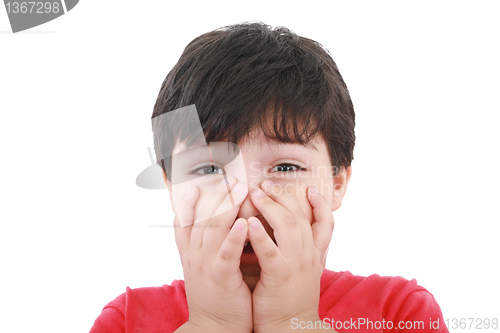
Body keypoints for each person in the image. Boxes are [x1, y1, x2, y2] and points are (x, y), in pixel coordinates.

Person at [90, 22, 448, 332]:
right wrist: (212, 325)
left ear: (337, 182)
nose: (245, 200)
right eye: (210, 169)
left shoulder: (399, 312)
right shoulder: (124, 321)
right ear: (171, 189)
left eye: (286, 167)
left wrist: (293, 321)